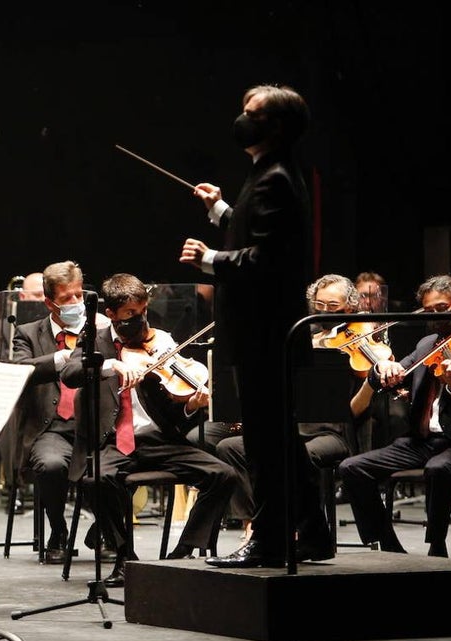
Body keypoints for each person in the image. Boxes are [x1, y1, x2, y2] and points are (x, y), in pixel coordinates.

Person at [179, 83, 330, 568]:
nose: (241, 118)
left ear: (277, 126)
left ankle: (269, 541)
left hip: (265, 332)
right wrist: (222, 211)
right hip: (265, 330)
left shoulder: (276, 177)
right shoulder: (270, 173)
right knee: (279, 439)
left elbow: (269, 259)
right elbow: (262, 230)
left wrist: (210, 259)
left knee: (267, 444)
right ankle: (315, 535)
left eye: (252, 113)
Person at [60, 273, 236, 586]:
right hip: (114, 442)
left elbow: (173, 409)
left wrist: (191, 405)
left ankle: (184, 551)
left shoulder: (162, 342)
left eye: (143, 312)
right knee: (96, 480)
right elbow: (71, 373)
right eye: (130, 315)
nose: (140, 321)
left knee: (223, 475)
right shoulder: (95, 340)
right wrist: (111, 365)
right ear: (111, 314)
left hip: (159, 441)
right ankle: (125, 558)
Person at [337, 275, 451, 558]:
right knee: (352, 467)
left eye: (442, 309)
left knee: (438, 469)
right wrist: (387, 370)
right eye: (429, 311)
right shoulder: (426, 344)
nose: (435, 317)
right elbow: (400, 372)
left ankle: (436, 546)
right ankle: (387, 543)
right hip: (421, 440)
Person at [214, 274, 377, 538]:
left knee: (296, 455)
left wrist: (373, 378)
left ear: (350, 306)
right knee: (229, 447)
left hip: (331, 434)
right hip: (292, 426)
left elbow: (355, 410)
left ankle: (296, 526)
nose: (324, 311)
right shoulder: (301, 336)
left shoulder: (359, 340)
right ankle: (254, 524)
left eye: (333, 307)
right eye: (319, 304)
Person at [11, 261, 87, 563]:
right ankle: (58, 530)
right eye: (67, 298)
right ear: (49, 301)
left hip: (92, 425)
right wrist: (59, 358)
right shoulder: (27, 334)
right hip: (51, 427)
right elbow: (19, 370)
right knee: (52, 465)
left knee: (112, 467)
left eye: (79, 295)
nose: (76, 303)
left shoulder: (99, 331)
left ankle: (107, 531)